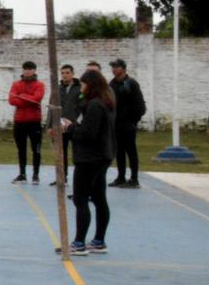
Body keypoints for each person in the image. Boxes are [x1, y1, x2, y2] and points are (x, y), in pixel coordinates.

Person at [58, 69, 116, 255]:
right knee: (99, 198)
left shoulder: (95, 105)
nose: (81, 88)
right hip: (102, 155)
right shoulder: (103, 103)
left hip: (90, 158)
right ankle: (99, 241)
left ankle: (79, 243)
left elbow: (88, 133)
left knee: (80, 199)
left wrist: (69, 128)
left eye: (83, 84)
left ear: (90, 85)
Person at [108, 58, 146, 189]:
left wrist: (133, 121)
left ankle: (134, 179)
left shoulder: (131, 83)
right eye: (112, 67)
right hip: (116, 124)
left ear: (123, 68)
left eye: (116, 67)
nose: (114, 69)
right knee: (119, 151)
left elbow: (140, 105)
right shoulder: (112, 84)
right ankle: (121, 177)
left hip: (128, 124)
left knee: (131, 151)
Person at [9, 60, 45, 184]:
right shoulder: (16, 84)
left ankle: (36, 175)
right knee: (21, 149)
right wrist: (27, 98)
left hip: (34, 122)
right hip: (20, 121)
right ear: (23, 70)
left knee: (36, 149)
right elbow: (12, 100)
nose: (28, 71)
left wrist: (21, 96)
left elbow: (36, 99)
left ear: (34, 70)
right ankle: (22, 174)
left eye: (30, 69)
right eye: (26, 69)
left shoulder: (39, 85)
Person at [51, 64, 81, 186]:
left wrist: (77, 122)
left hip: (75, 126)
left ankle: (80, 179)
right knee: (60, 153)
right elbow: (51, 108)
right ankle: (62, 178)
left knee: (78, 153)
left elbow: (83, 107)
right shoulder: (57, 89)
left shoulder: (80, 88)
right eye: (62, 73)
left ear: (73, 74)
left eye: (67, 73)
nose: (65, 75)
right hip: (60, 127)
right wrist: (50, 126)